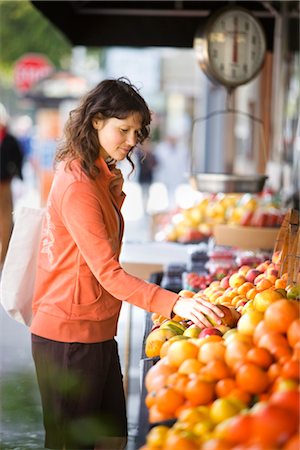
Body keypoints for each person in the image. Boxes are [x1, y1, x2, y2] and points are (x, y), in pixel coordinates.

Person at [30, 78, 224, 450]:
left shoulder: (99, 174)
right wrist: (174, 302)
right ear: (96, 121)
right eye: (124, 129)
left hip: (99, 331)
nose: (133, 140)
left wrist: (114, 183)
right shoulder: (78, 184)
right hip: (69, 336)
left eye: (138, 132)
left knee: (112, 441)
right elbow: (109, 274)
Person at [0, 103, 24, 269]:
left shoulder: (10, 139)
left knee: (5, 219)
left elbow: (18, 157)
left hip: (4, 182)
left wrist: (14, 171)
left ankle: (4, 255)